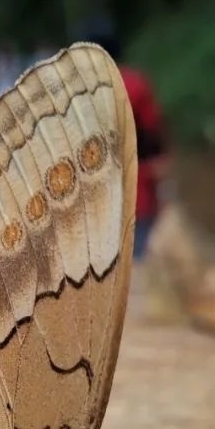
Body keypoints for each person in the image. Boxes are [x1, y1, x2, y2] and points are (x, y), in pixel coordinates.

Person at [75, 17, 169, 259]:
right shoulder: (136, 85)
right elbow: (153, 137)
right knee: (136, 271)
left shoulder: (76, 93)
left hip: (91, 202)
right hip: (137, 193)